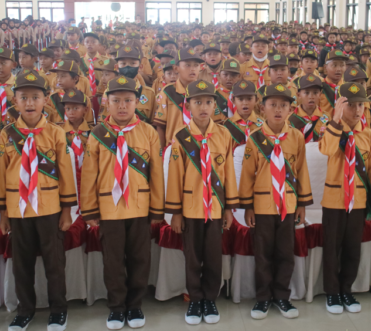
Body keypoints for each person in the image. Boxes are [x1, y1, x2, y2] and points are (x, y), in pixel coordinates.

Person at [80, 76, 164, 330]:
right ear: (106, 103)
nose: (122, 106)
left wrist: (157, 209)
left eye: (128, 100)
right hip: (108, 208)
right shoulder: (98, 134)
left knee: (140, 258)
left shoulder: (148, 132)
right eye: (116, 101)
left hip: (140, 206)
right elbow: (89, 175)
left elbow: (157, 173)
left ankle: (135, 305)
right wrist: (90, 209)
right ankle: (116, 307)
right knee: (113, 260)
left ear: (137, 102)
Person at [0, 72, 75, 331]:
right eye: (23, 97)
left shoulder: (56, 133)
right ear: (14, 101)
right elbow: (0, 173)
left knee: (54, 262)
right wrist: (3, 214)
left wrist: (66, 210)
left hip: (49, 208)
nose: (29, 103)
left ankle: (58, 310)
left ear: (46, 100)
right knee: (21, 263)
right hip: (19, 209)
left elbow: (65, 173)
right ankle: (24, 309)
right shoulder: (8, 134)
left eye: (35, 97)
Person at [166, 80, 238, 325]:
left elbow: (228, 172)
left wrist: (229, 208)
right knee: (193, 256)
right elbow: (174, 177)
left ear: (215, 105)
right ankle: (195, 299)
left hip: (216, 207)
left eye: (208, 102)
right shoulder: (182, 137)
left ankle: (210, 298)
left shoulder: (223, 134)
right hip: (190, 207)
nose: (204, 107)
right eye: (198, 102)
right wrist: (175, 213)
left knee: (213, 255)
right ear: (188, 107)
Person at [239, 84, 313, 320]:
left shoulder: (297, 137)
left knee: (285, 253)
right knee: (262, 254)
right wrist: (248, 206)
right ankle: (262, 298)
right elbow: (248, 175)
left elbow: (302, 172)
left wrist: (302, 204)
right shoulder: (255, 138)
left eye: (284, 105)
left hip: (288, 206)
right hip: (262, 206)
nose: (278, 110)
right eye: (273, 105)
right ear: (263, 108)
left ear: (291, 109)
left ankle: (282, 296)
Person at [318, 82, 371, 314]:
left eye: (360, 106)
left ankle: (347, 290)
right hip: (334, 200)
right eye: (351, 105)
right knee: (332, 247)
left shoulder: (368, 135)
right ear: (340, 106)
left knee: (353, 247)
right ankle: (332, 293)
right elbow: (326, 150)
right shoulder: (330, 129)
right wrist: (334, 121)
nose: (356, 111)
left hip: (359, 200)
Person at [153, 47, 202, 147]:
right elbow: (161, 126)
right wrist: (163, 152)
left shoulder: (205, 91)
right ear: (176, 68)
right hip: (174, 147)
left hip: (199, 146)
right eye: (187, 65)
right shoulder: (168, 92)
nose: (192, 69)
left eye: (196, 65)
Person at [222, 79, 262, 147]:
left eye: (249, 99)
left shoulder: (263, 124)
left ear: (256, 100)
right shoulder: (226, 126)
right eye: (240, 99)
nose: (245, 103)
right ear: (233, 101)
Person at [287, 74, 327, 142]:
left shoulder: (326, 118)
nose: (311, 96)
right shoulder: (290, 119)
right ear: (298, 95)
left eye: (315, 92)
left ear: (320, 95)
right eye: (306, 93)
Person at [213, 58, 242, 124]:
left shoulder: (243, 95)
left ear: (239, 76)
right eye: (225, 74)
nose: (229, 78)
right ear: (219, 75)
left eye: (233, 75)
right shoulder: (214, 95)